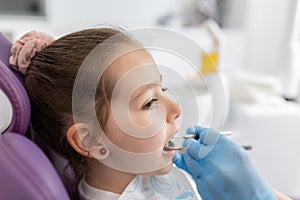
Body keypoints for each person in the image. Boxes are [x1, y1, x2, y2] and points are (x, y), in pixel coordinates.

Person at [9, 29, 290, 200]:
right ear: (90, 141)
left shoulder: (139, 171)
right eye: (149, 102)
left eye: (163, 87)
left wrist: (262, 191)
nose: (175, 109)